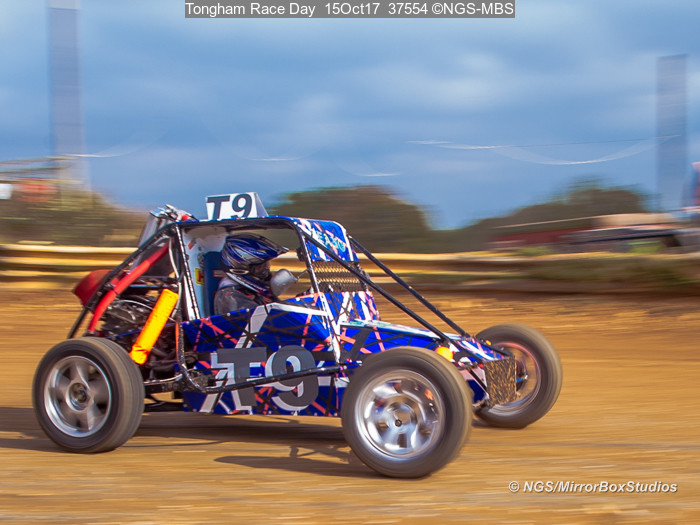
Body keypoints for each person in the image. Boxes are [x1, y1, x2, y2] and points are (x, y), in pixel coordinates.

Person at [213, 233, 288, 315]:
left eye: (266, 265)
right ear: (241, 269)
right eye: (260, 267)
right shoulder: (230, 295)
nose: (265, 272)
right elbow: (260, 319)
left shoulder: (253, 291)